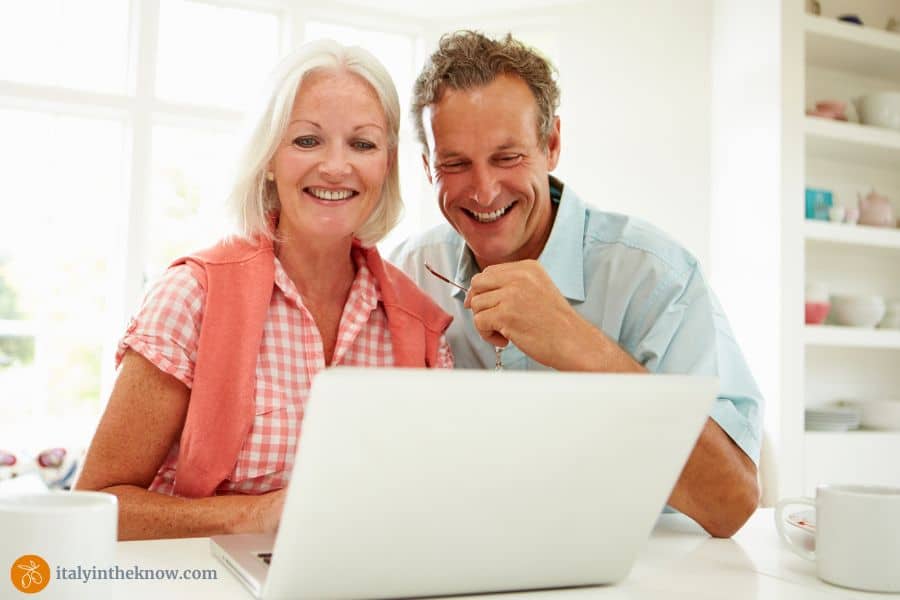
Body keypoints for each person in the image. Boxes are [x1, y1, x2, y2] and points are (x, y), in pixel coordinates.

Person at [76, 40, 453, 540]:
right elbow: (95, 507)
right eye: (307, 140)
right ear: (269, 157)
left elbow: (434, 502)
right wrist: (254, 514)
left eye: (362, 144)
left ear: (386, 165)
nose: (335, 166)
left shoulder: (420, 327)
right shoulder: (191, 298)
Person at [391, 31, 762, 538]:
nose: (484, 190)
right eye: (455, 164)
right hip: (463, 549)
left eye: (507, 157)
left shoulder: (656, 276)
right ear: (427, 167)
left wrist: (580, 346)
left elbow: (732, 503)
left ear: (552, 145)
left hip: (642, 563)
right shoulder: (409, 273)